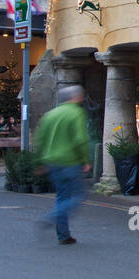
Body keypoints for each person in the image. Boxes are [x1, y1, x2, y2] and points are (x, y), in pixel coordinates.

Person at [32, 85, 92, 245]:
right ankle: (50, 218)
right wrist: (85, 160)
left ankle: (64, 235)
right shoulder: (77, 113)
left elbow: (40, 140)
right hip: (70, 161)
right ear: (75, 97)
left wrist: (39, 162)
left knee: (62, 197)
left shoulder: (50, 115)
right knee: (79, 196)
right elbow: (80, 139)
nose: (83, 98)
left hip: (52, 162)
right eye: (81, 96)